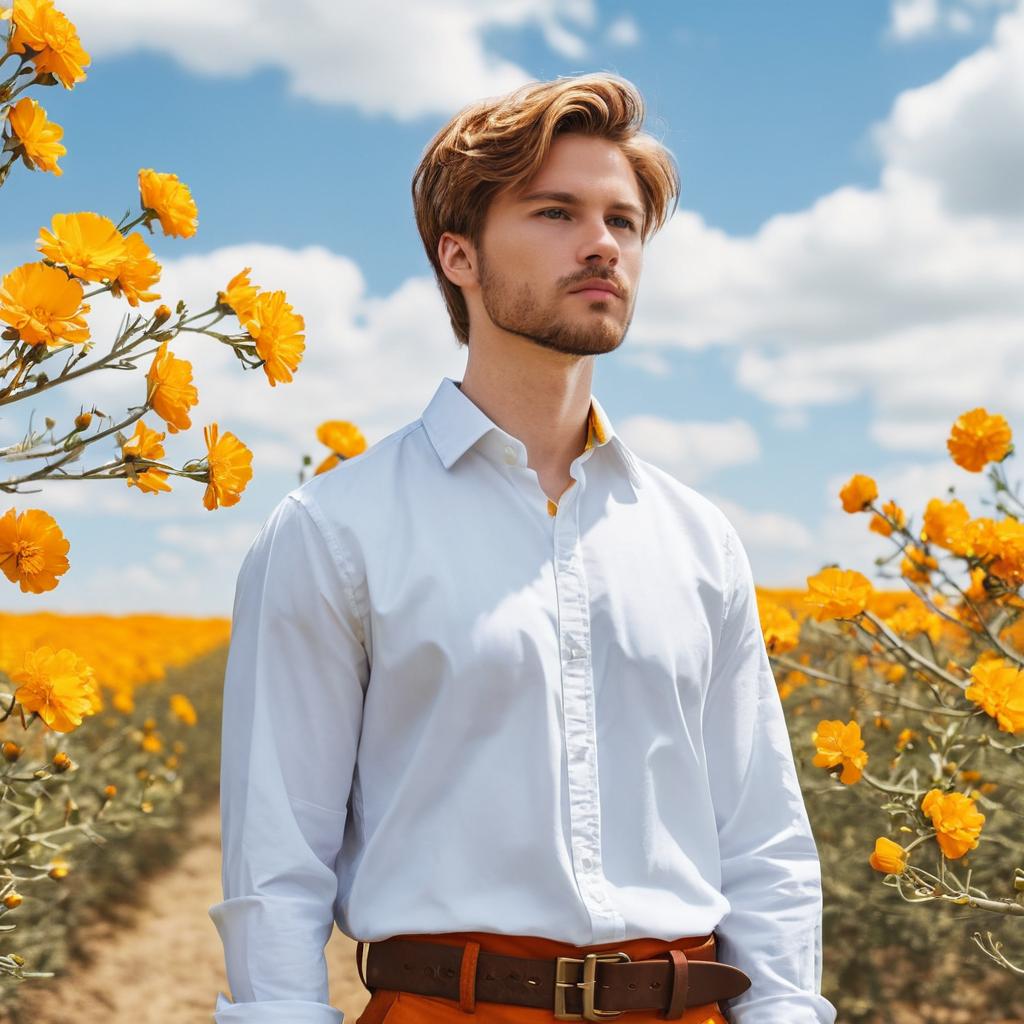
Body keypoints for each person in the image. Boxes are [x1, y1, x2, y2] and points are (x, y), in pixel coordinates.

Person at [209, 71, 838, 1024]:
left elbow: (762, 841)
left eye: (623, 223)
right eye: (555, 212)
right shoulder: (334, 530)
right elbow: (274, 863)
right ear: (457, 256)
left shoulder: (697, 539)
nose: (601, 245)